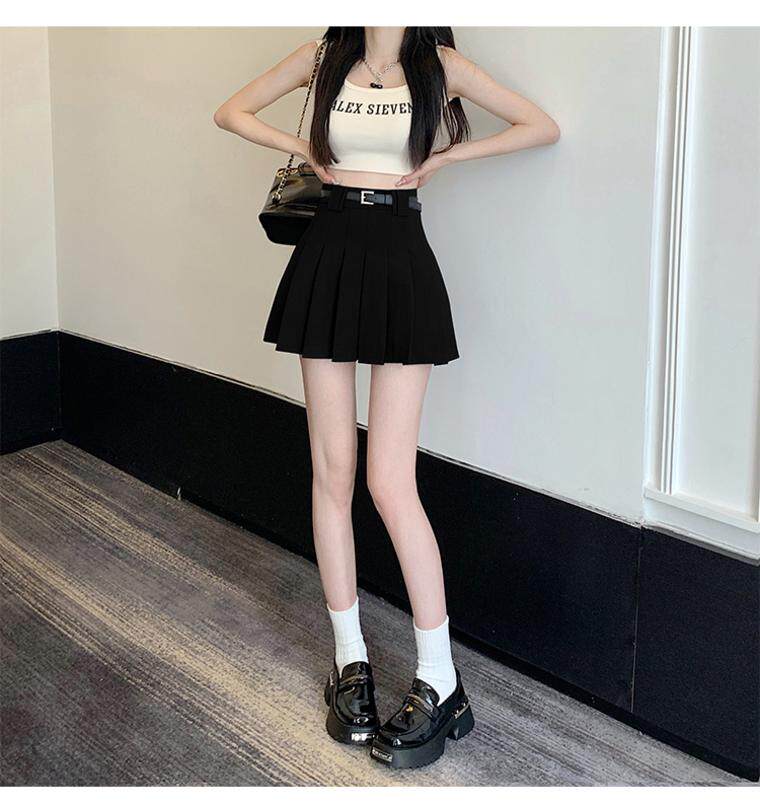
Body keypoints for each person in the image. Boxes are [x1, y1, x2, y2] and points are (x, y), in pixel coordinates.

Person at [214, 26, 560, 769]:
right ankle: (351, 662)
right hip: (328, 254)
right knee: (333, 472)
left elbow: (541, 125)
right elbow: (230, 111)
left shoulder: (440, 65)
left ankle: (441, 677)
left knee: (389, 482)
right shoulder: (324, 55)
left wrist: (445, 157)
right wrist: (304, 148)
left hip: (402, 258)